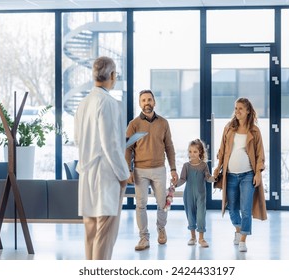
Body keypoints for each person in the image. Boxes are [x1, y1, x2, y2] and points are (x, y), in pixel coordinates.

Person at [74, 56, 129, 260]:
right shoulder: (108, 102)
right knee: (104, 234)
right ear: (112, 76)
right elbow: (111, 144)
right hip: (105, 175)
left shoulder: (83, 103)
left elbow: (78, 139)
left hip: (86, 173)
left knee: (90, 233)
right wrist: (123, 174)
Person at [126, 89, 179, 251]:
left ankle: (161, 229)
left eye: (149, 100)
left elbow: (169, 147)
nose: (146, 103)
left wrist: (173, 169)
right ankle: (143, 238)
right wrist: (128, 170)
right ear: (140, 103)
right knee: (140, 205)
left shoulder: (163, 123)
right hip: (140, 170)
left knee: (162, 204)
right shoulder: (134, 125)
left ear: (154, 102)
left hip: (159, 169)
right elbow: (128, 148)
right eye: (143, 100)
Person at [213, 97, 267, 253]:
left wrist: (257, 173)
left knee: (245, 209)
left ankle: (243, 239)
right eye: (235, 108)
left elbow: (259, 155)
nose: (237, 111)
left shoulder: (255, 131)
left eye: (240, 109)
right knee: (231, 208)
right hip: (230, 175)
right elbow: (222, 150)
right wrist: (218, 167)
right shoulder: (229, 128)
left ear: (248, 111)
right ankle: (238, 229)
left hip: (248, 175)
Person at [175, 139, 215, 248]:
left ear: (200, 153)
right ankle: (193, 237)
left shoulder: (204, 166)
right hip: (188, 195)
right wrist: (174, 185)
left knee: (201, 215)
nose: (192, 154)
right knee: (191, 215)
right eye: (190, 151)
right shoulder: (186, 166)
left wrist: (215, 178)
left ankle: (201, 238)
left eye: (195, 152)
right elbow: (182, 179)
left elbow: (208, 178)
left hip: (201, 195)